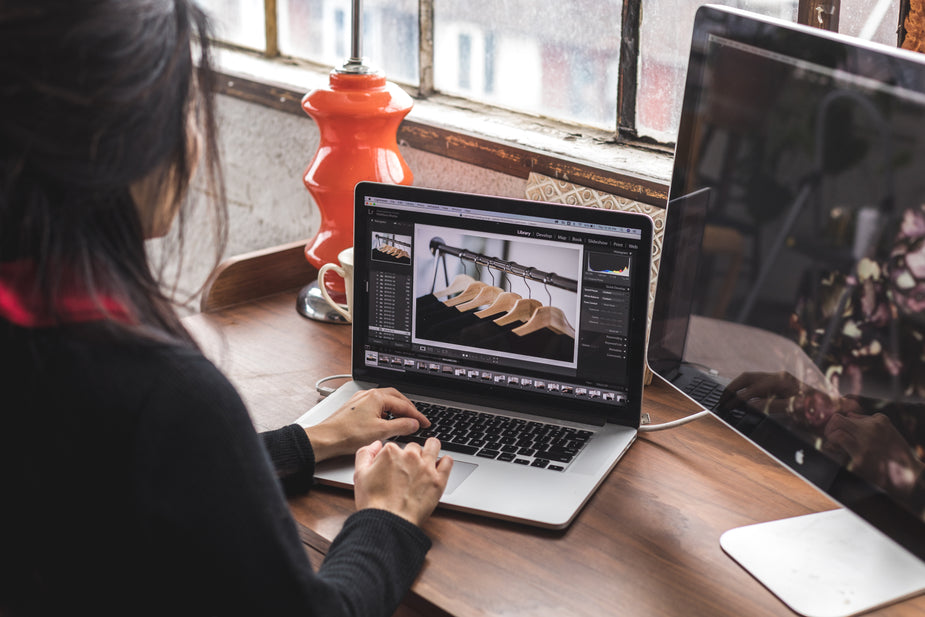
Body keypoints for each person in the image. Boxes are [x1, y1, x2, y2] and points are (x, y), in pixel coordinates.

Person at [0, 1, 452, 616]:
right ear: (116, 147)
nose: (192, 137)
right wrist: (386, 516)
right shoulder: (163, 395)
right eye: (186, 109)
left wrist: (307, 440)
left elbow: (125, 472)